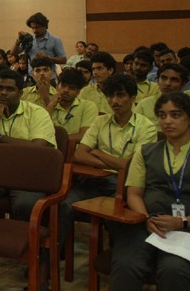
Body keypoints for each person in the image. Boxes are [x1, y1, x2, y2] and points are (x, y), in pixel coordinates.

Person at [58, 74, 157, 254]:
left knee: (114, 214)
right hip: (96, 181)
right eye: (110, 96)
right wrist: (112, 163)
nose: (114, 101)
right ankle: (49, 262)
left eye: (120, 95)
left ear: (133, 98)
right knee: (63, 203)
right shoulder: (100, 121)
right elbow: (79, 154)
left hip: (126, 186)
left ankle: (119, 259)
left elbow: (132, 166)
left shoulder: (146, 127)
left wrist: (97, 152)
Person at [110, 91, 190, 290]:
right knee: (126, 265)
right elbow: (134, 194)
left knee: (174, 269)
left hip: (187, 228)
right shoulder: (146, 151)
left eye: (175, 114)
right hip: (147, 223)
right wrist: (146, 218)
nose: (167, 121)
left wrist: (182, 222)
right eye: (162, 115)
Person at [0, 69, 57, 218]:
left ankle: (31, 240)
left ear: (20, 93)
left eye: (10, 89)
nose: (3, 93)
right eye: (0, 88)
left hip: (28, 175)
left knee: (25, 206)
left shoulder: (37, 113)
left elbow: (37, 149)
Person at [46, 68, 98, 140]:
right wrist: (51, 105)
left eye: (72, 88)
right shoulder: (50, 105)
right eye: (63, 86)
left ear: (78, 92)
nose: (66, 90)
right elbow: (40, 131)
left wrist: (56, 140)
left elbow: (84, 136)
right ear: (57, 86)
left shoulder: (88, 106)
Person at [10, 12, 66, 77]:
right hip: (32, 77)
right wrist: (17, 42)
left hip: (49, 78)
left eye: (37, 27)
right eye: (32, 28)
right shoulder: (29, 39)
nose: (34, 30)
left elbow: (63, 60)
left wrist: (48, 58)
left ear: (45, 26)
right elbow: (13, 53)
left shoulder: (55, 40)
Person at [135, 63, 189, 130]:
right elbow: (134, 130)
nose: (167, 83)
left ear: (182, 84)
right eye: (164, 78)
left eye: (174, 80)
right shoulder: (144, 104)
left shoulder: (188, 105)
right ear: (157, 80)